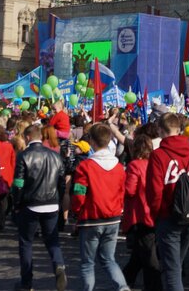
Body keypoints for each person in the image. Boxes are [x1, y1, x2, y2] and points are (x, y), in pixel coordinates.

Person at [146, 112, 189, 291]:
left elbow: (154, 192)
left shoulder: (158, 155)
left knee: (172, 270)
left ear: (160, 130)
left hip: (168, 218)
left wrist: (157, 214)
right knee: (175, 266)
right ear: (179, 130)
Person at [70, 124, 129, 291]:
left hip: (91, 218)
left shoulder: (85, 166)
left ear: (92, 142)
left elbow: (79, 192)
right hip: (113, 218)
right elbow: (121, 191)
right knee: (109, 259)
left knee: (88, 263)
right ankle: (123, 287)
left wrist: (76, 211)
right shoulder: (118, 167)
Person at [12, 123, 68, 291]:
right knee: (52, 241)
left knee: (26, 243)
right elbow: (61, 182)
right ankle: (59, 265)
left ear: (27, 137)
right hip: (51, 204)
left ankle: (26, 283)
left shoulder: (24, 155)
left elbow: (18, 183)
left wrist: (16, 203)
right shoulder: (55, 155)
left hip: (31, 204)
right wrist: (57, 200)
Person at [122, 135, 160, 291]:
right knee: (140, 252)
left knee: (147, 255)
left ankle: (154, 286)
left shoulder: (135, 165)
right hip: (153, 212)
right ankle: (126, 279)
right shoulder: (155, 163)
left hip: (140, 214)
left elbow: (130, 190)